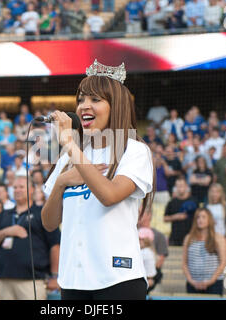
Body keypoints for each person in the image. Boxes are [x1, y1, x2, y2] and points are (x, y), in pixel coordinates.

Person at [42, 60, 154, 300]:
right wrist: (62, 182)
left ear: (116, 105)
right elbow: (49, 223)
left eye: (95, 100)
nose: (84, 106)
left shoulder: (134, 150)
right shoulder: (68, 157)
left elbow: (109, 196)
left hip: (118, 278)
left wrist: (71, 145)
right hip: (73, 280)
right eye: (81, 99)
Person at [0, 176, 60, 300]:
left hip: (31, 280)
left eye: (21, 187)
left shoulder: (42, 213)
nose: (17, 190)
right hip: (4, 278)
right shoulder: (5, 214)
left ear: (32, 189)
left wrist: (55, 276)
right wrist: (6, 231)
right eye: (15, 187)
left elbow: (55, 245)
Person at [182, 208, 226, 295]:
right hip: (193, 284)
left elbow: (223, 262)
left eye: (203, 217)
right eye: (198, 217)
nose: (200, 220)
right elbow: (184, 263)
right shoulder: (188, 238)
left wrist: (211, 280)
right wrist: (191, 281)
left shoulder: (218, 238)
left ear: (209, 219)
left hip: (214, 284)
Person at [164, 176, 198, 246]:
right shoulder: (172, 202)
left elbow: (198, 217)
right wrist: (176, 217)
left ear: (186, 186)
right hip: (175, 237)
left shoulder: (194, 201)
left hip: (191, 237)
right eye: (178, 186)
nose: (180, 188)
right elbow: (165, 218)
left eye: (182, 186)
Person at [138, 227, 157, 291]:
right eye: (138, 238)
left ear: (147, 240)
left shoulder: (145, 252)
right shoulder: (149, 251)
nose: (139, 241)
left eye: (141, 239)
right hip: (147, 280)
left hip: (146, 281)